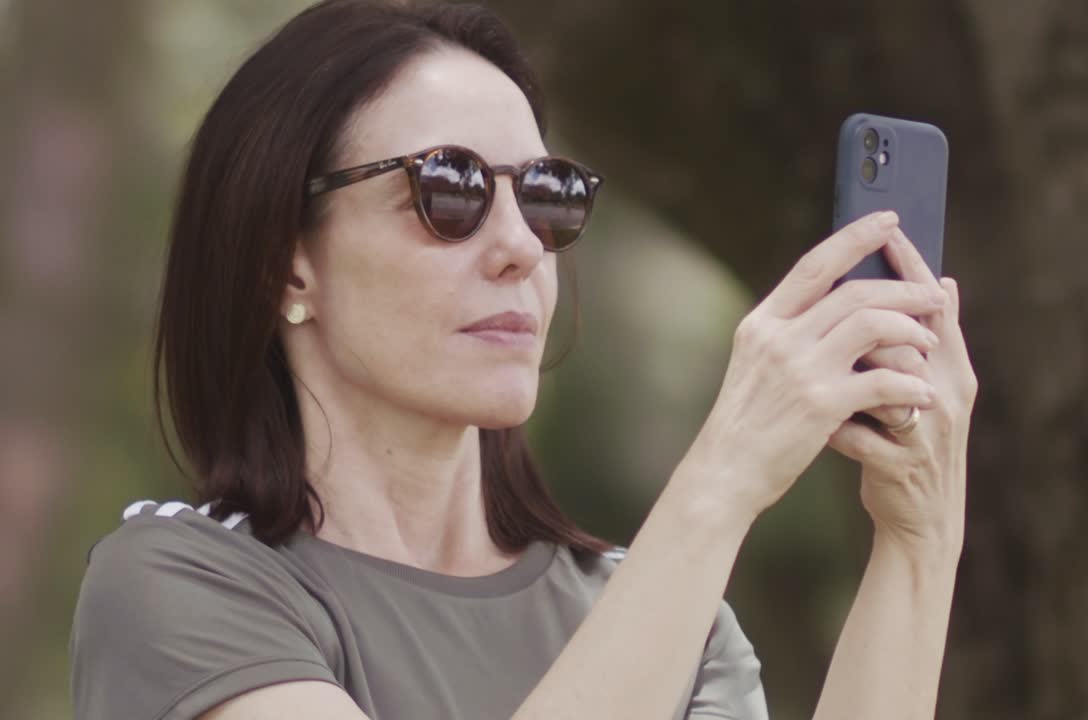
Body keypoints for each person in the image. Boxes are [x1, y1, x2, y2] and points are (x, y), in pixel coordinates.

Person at [68, 1, 978, 718]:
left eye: (545, 197)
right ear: (282, 263)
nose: (520, 246)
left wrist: (918, 540)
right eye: (449, 191)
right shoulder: (179, 589)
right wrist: (723, 478)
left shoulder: (664, 613)